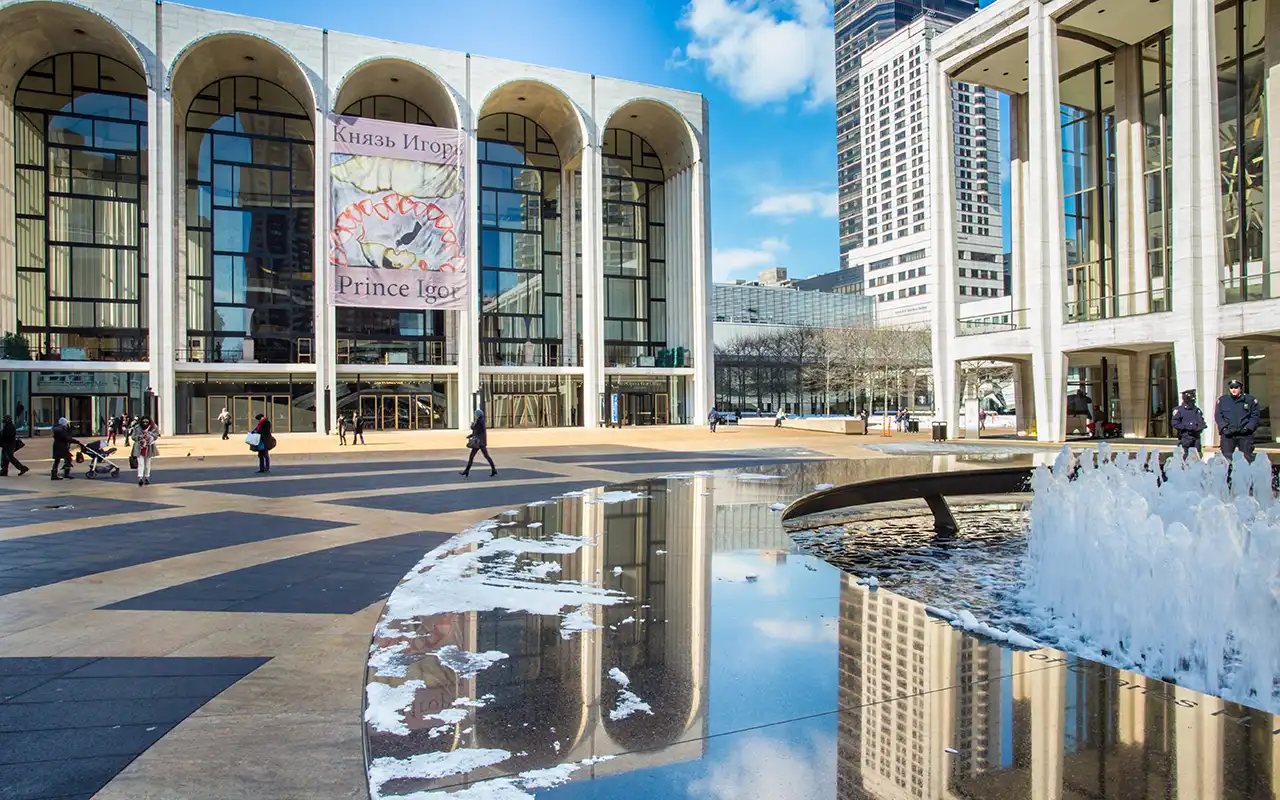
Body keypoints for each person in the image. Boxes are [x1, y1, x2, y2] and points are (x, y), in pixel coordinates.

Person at [1215, 379, 1260, 462]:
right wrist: (1224, 428)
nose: (1233, 389)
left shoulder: (1250, 400)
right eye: (1231, 387)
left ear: (1240, 388)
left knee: (1246, 459)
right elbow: (1218, 416)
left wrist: (1248, 428)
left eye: (1236, 387)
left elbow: (1255, 416)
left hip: (1244, 434)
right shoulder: (1223, 400)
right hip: (1228, 434)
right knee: (1226, 460)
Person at [459, 408, 496, 477]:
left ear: (477, 415)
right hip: (481, 441)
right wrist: (470, 435)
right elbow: (478, 431)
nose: (475, 415)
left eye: (475, 414)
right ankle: (493, 469)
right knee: (486, 456)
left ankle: (466, 471)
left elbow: (477, 430)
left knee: (472, 456)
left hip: (478, 442)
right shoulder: (481, 420)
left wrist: (472, 427)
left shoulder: (479, 421)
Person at [1171, 389, 1206, 457]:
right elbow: (1174, 423)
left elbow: (1201, 420)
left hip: (1196, 437)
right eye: (1191, 400)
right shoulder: (1179, 410)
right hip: (1185, 437)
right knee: (1185, 456)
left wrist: (1201, 426)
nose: (1193, 402)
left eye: (1193, 400)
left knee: (1197, 456)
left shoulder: (1196, 410)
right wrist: (1187, 427)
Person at [131, 416, 159, 486]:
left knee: (147, 464)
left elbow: (156, 436)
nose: (145, 423)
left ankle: (147, 477)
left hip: (149, 447)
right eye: (143, 422)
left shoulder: (154, 427)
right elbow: (133, 436)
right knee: (140, 463)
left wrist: (149, 435)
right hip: (139, 447)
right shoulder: (137, 427)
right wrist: (140, 436)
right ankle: (140, 478)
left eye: (147, 422)